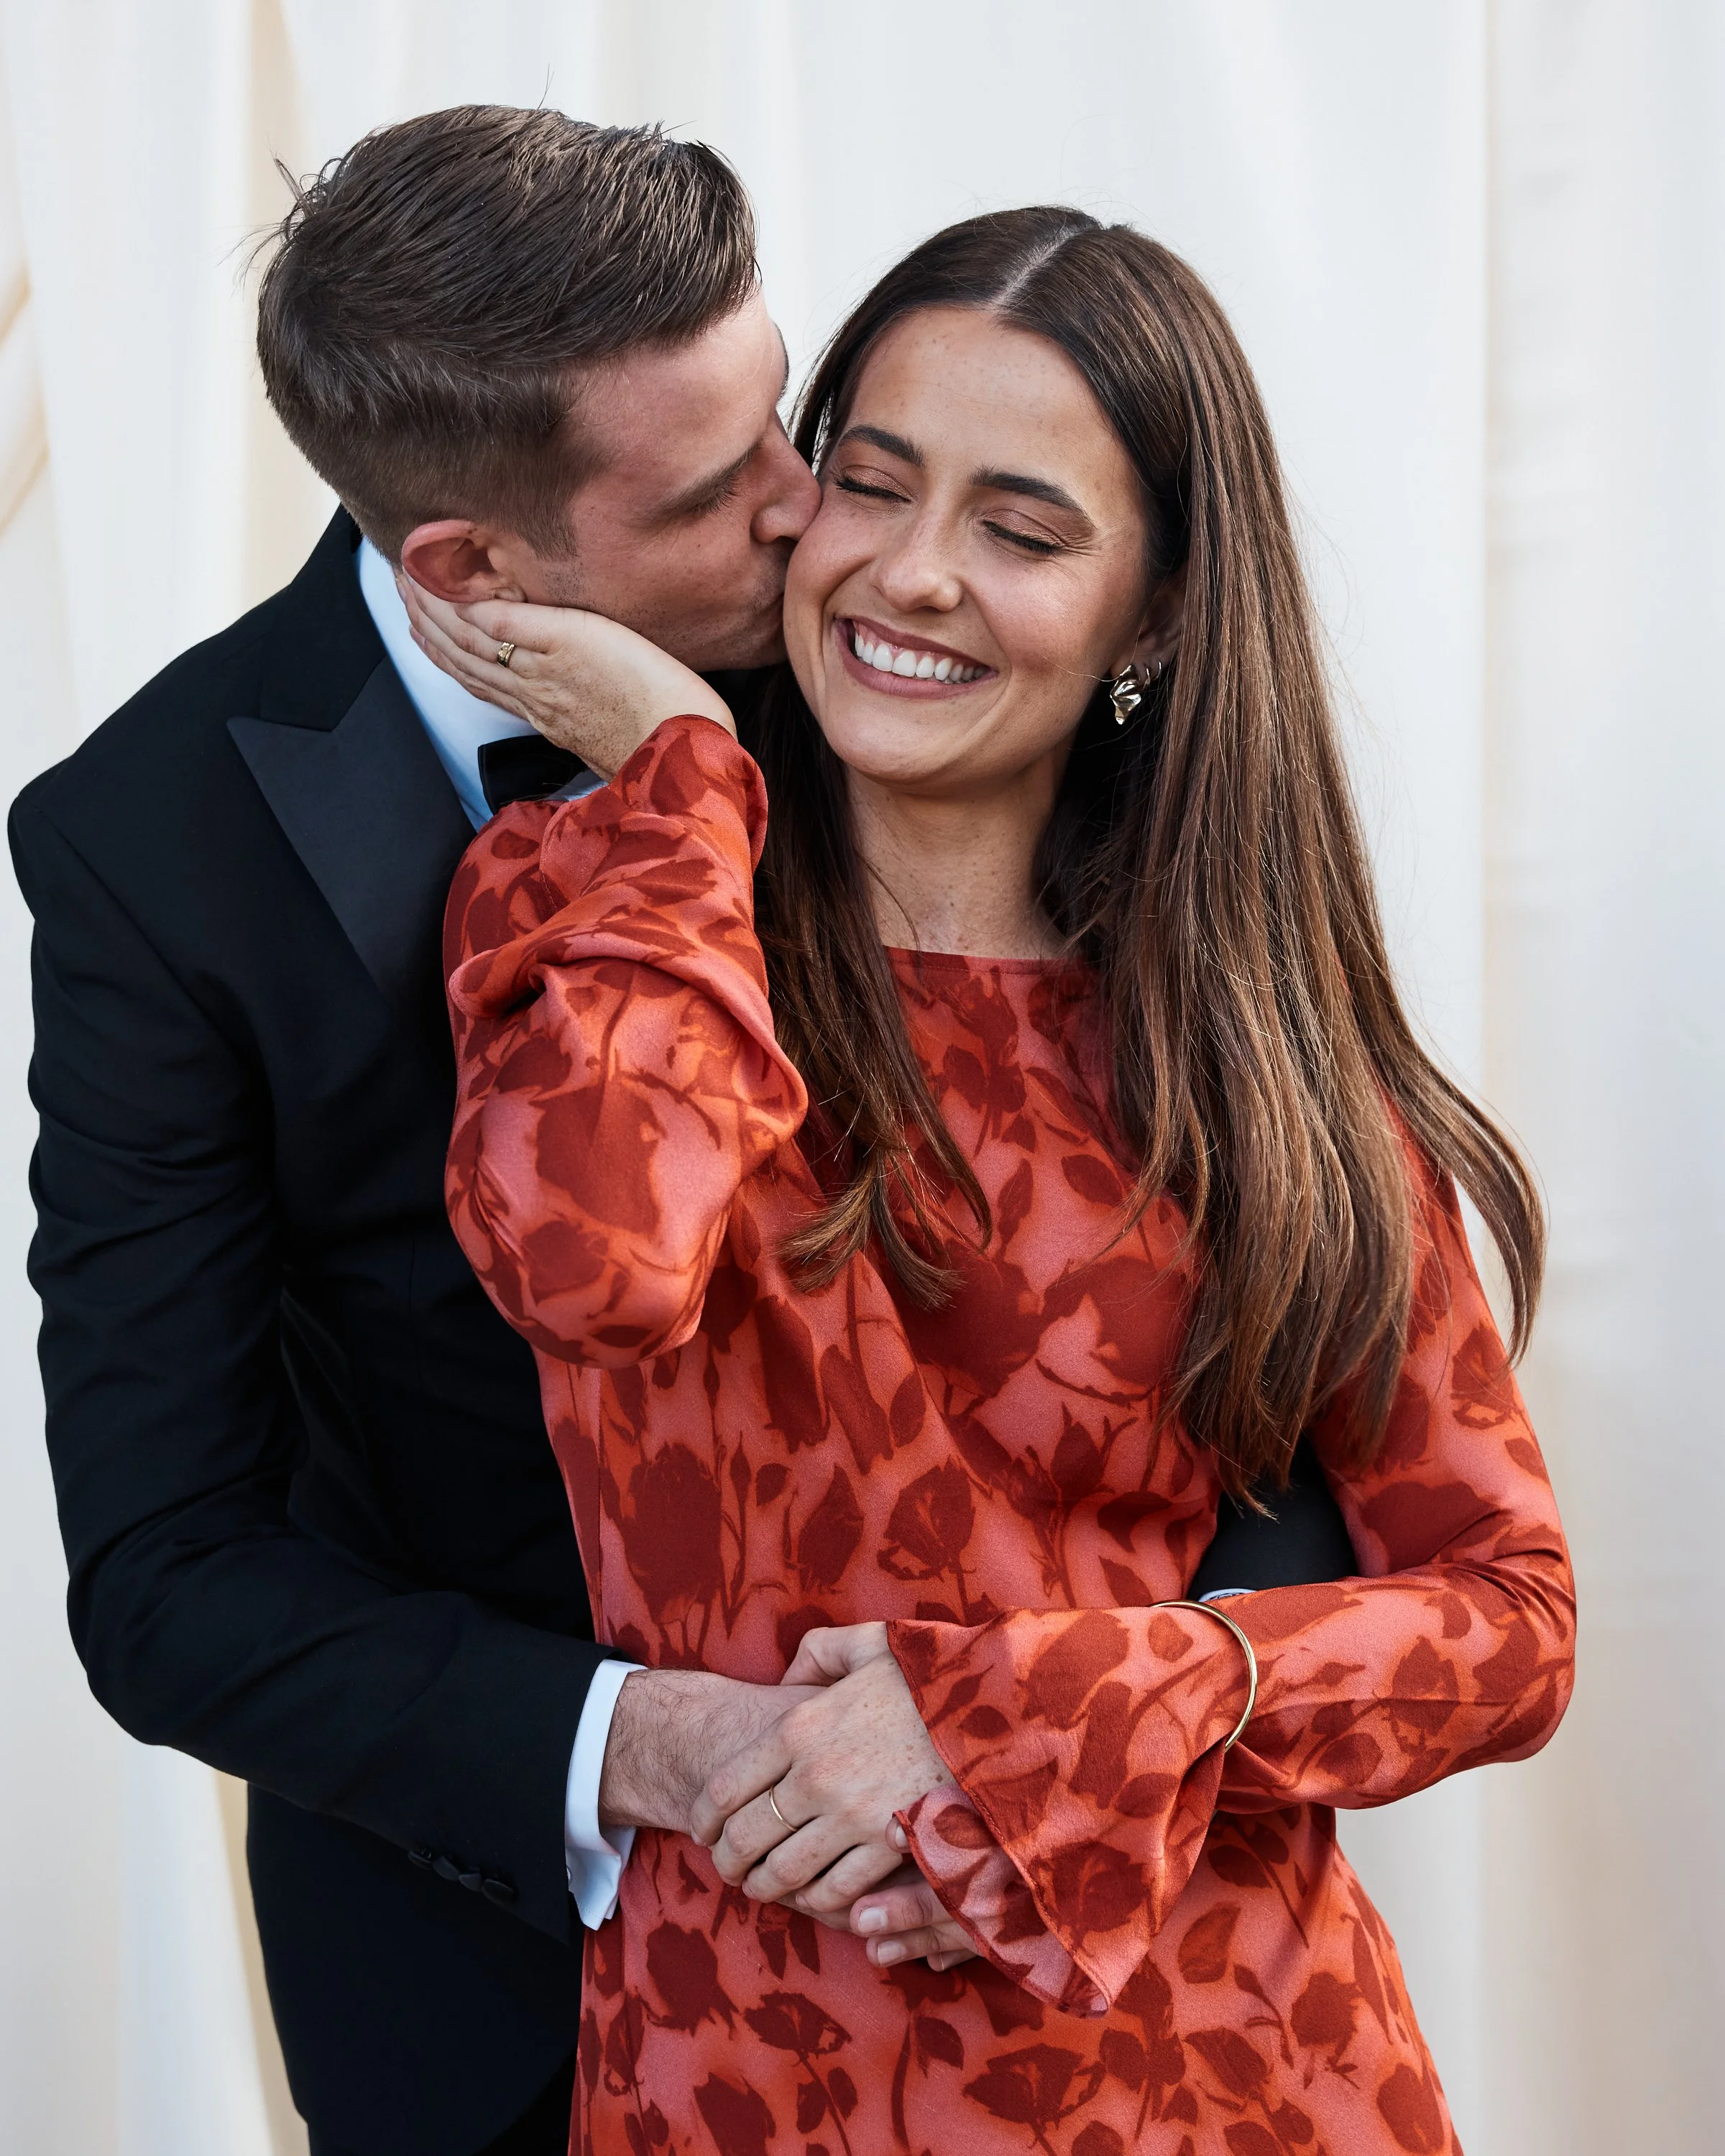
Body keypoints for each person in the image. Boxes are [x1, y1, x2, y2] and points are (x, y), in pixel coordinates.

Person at [9, 112, 1343, 2156]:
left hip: (1067, 1942)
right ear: (474, 568)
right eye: (730, 492)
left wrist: (1060, 1737)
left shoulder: (904, 639)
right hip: (503, 1976)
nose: (829, 519)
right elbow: (172, 1573)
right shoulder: (151, 849)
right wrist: (671, 1753)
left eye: (787, 414)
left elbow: (1255, 1251)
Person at [412, 206, 1576, 2153]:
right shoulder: (596, 902)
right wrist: (688, 781)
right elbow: (591, 1259)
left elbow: (1509, 1614)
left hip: (1238, 2066)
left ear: (1160, 613)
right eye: (872, 482)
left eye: (1025, 533)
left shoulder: (1255, 1051)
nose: (918, 574)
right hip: (751, 2069)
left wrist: (1033, 1716)